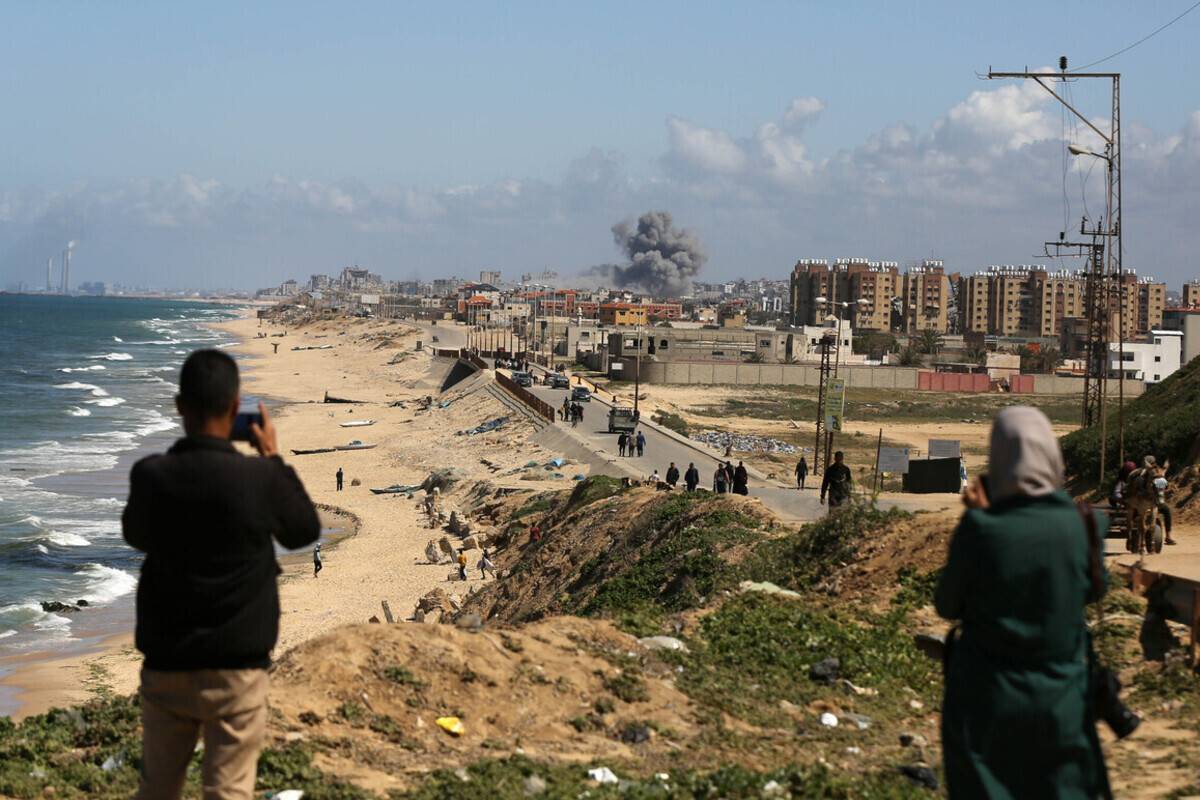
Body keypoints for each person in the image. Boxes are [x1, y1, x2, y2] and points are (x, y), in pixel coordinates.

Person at [122, 349, 320, 799]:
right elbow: (303, 530)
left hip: (167, 663)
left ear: (179, 408)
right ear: (235, 409)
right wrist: (272, 458)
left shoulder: (151, 476)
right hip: (238, 669)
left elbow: (136, 534)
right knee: (229, 791)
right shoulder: (259, 479)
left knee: (157, 790)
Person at [935, 406, 1111, 799]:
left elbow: (947, 605)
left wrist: (981, 519)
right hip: (1062, 698)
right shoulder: (1084, 524)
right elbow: (1096, 590)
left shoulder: (980, 528)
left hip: (986, 698)